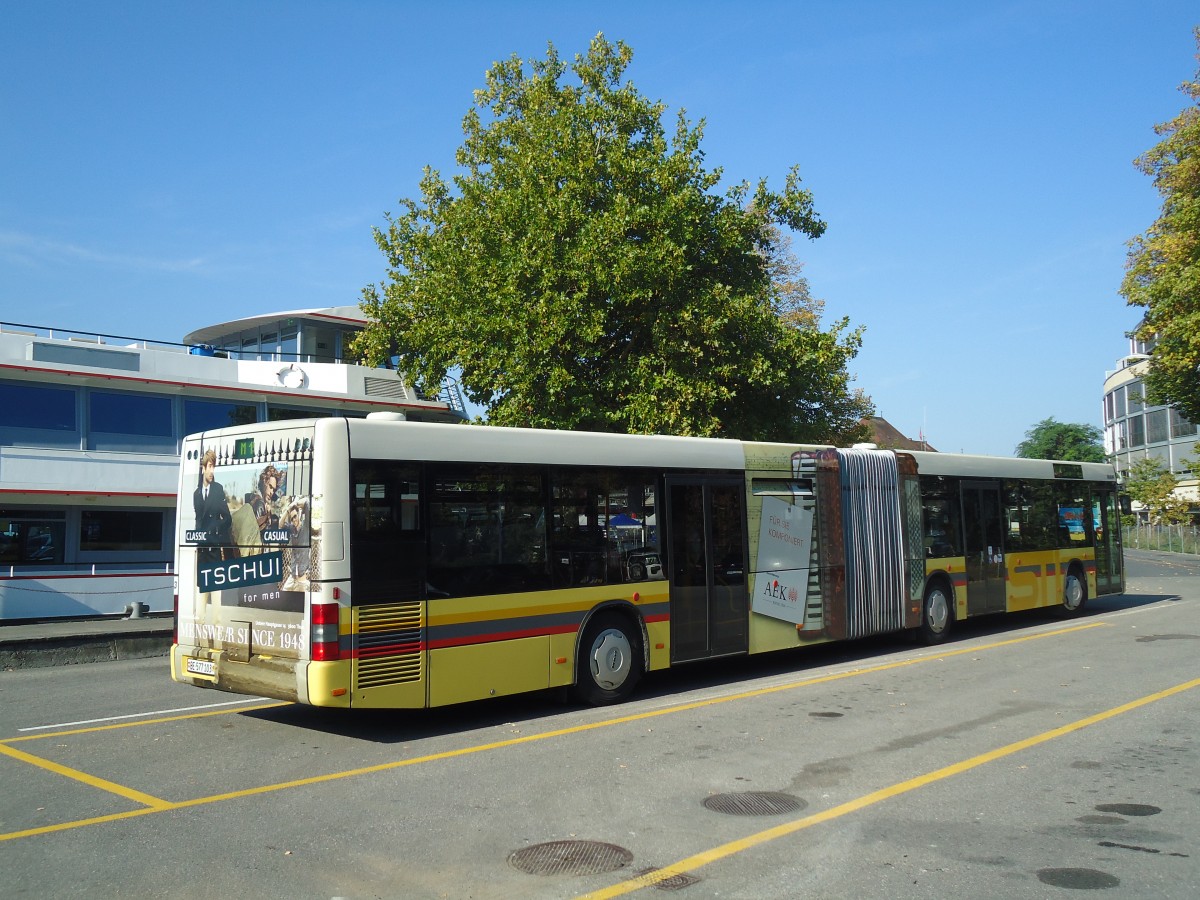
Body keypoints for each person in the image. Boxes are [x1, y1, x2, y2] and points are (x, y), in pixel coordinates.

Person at [193, 449, 234, 564]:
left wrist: (214, 528)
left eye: (214, 467)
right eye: (210, 466)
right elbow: (198, 519)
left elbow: (227, 519)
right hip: (201, 549)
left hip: (213, 549)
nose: (212, 471)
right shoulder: (196, 494)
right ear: (203, 468)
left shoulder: (217, 490)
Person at [249, 464, 282, 535]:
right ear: (264, 483)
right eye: (270, 487)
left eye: (274, 489)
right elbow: (260, 535)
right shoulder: (259, 504)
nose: (271, 492)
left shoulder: (260, 502)